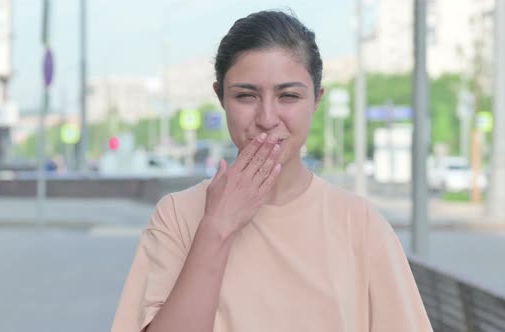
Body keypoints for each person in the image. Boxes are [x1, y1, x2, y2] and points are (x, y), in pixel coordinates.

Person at [111, 10, 432, 332]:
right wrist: (217, 226)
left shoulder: (360, 224)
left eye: (288, 96)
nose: (267, 117)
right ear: (221, 97)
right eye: (245, 96)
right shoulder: (177, 217)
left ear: (316, 100)